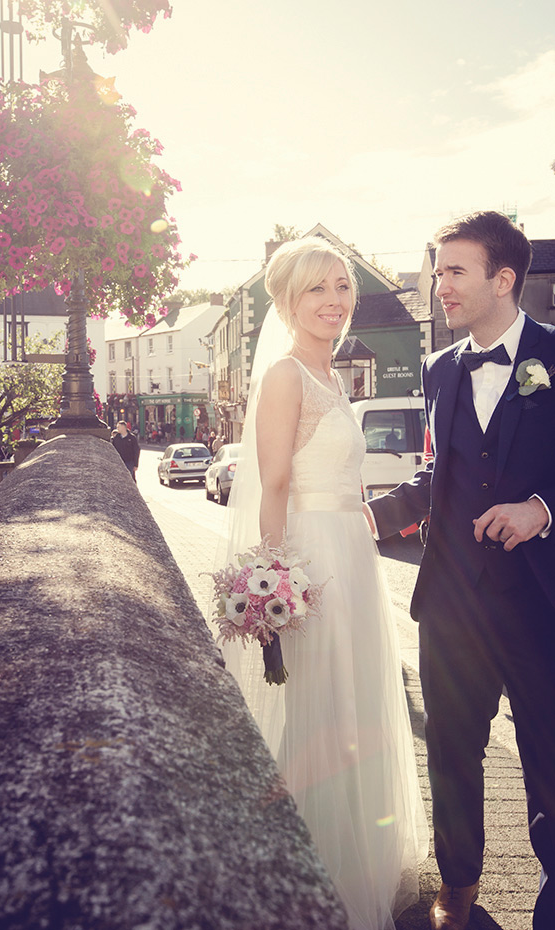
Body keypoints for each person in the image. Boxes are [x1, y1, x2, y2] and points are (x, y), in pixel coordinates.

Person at [221, 237, 428, 930]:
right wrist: (274, 579)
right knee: (318, 710)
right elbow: (273, 483)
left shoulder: (333, 375)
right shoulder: (286, 376)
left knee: (354, 708)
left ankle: (351, 856)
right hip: (311, 559)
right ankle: (304, 871)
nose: (335, 301)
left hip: (353, 552)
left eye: (343, 287)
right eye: (318, 289)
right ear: (286, 300)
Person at [366, 211, 555, 930]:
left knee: (547, 750)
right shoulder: (440, 369)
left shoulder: (554, 358)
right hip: (451, 602)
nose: (438, 286)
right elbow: (441, 473)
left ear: (503, 279)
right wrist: (370, 518)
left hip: (539, 602)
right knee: (450, 750)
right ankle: (461, 889)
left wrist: (542, 507)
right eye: (437, 271)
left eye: (453, 272)